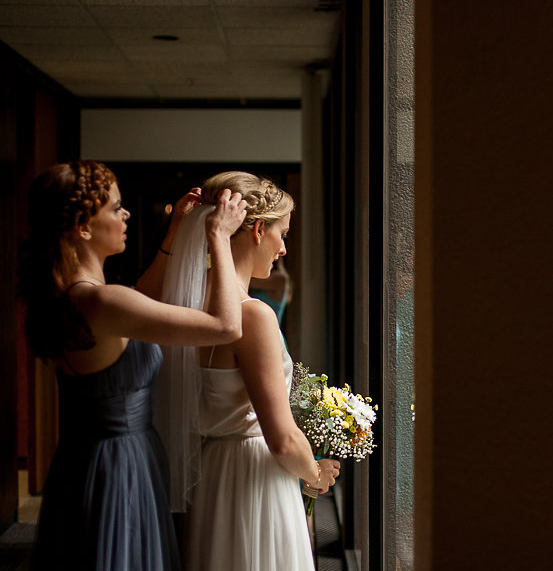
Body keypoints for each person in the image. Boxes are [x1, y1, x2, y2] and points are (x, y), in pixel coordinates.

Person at [17, 160, 248, 570]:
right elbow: (226, 325)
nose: (126, 215)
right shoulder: (104, 301)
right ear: (83, 226)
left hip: (85, 457)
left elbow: (141, 300)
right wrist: (219, 236)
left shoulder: (82, 297)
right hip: (120, 461)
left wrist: (175, 231)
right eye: (115, 207)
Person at [157, 171, 340, 571]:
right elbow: (283, 440)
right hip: (256, 483)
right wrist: (314, 476)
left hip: (212, 480)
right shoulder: (253, 315)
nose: (284, 249)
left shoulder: (181, 303)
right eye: (283, 234)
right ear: (258, 230)